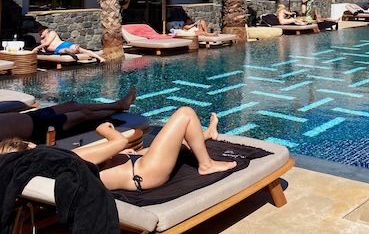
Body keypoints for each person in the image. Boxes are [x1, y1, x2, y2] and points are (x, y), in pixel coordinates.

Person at [0, 107, 237, 192]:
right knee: (185, 113)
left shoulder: (47, 169)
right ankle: (206, 165)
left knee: (180, 145)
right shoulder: (68, 157)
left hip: (135, 166)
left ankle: (206, 135)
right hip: (143, 172)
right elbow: (119, 142)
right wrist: (105, 130)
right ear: (29, 146)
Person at [0, 87, 136, 143]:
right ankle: (119, 107)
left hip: (32, 116)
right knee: (84, 114)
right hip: (40, 129)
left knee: (72, 104)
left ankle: (118, 104)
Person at [32, 27, 106, 63]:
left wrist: (37, 48)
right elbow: (45, 50)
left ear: (46, 31)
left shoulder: (52, 33)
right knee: (63, 51)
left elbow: (47, 43)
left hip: (63, 44)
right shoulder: (42, 41)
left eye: (41, 31)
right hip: (57, 50)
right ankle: (72, 50)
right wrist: (40, 50)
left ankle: (100, 58)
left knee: (82, 50)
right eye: (39, 32)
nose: (40, 33)